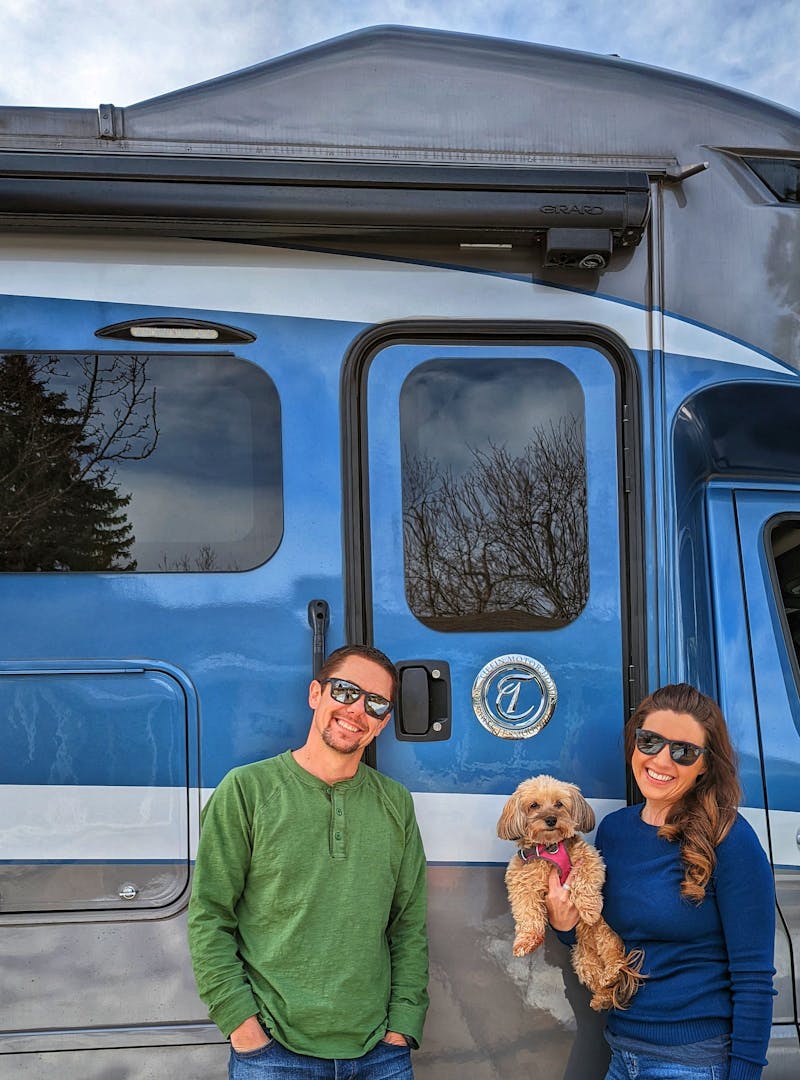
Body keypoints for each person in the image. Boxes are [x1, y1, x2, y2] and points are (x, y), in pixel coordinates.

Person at [188, 644, 429, 1078]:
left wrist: (403, 1027)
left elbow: (408, 925)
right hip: (273, 1053)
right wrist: (242, 1028)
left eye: (375, 703)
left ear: (383, 722)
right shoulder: (246, 791)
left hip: (380, 1053)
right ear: (315, 693)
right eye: (345, 691)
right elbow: (209, 917)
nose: (357, 710)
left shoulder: (396, 803)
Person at [546, 683, 775, 1080]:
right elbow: (603, 938)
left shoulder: (730, 838)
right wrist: (565, 926)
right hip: (620, 1052)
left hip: (692, 1061)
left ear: (705, 764)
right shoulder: (614, 831)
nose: (662, 760)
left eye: (684, 751)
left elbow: (754, 977)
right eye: (650, 741)